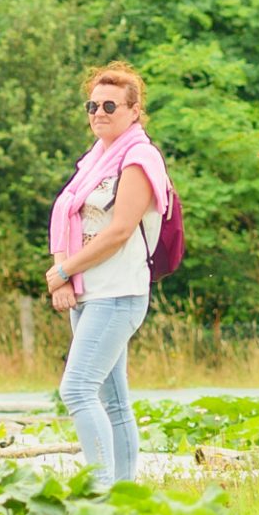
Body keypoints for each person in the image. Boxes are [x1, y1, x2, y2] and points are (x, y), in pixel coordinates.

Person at [46, 60, 172, 491]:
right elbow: (67, 215)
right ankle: (123, 494)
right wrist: (64, 275)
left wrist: (65, 269)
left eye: (110, 106)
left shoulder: (138, 158)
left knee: (77, 389)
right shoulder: (95, 160)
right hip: (89, 290)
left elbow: (119, 231)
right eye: (92, 105)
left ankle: (98, 492)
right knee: (113, 400)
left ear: (134, 111)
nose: (99, 112)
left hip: (118, 292)